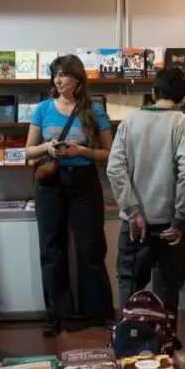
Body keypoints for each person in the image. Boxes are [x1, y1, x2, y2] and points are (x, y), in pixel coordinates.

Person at [107, 67, 185, 342]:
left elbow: (115, 170)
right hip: (171, 226)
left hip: (135, 225)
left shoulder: (129, 122)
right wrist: (181, 217)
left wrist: (133, 210)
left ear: (152, 93)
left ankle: (127, 340)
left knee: (129, 284)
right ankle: (165, 340)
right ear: (184, 98)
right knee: (168, 288)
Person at [25, 54, 115, 337]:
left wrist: (83, 151)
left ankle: (99, 312)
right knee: (52, 250)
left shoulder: (94, 110)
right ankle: (56, 315)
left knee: (91, 248)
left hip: (85, 181)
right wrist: (48, 147)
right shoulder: (42, 109)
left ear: (77, 79)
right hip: (51, 183)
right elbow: (28, 151)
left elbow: (109, 154)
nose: (58, 80)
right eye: (55, 74)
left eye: (63, 74)